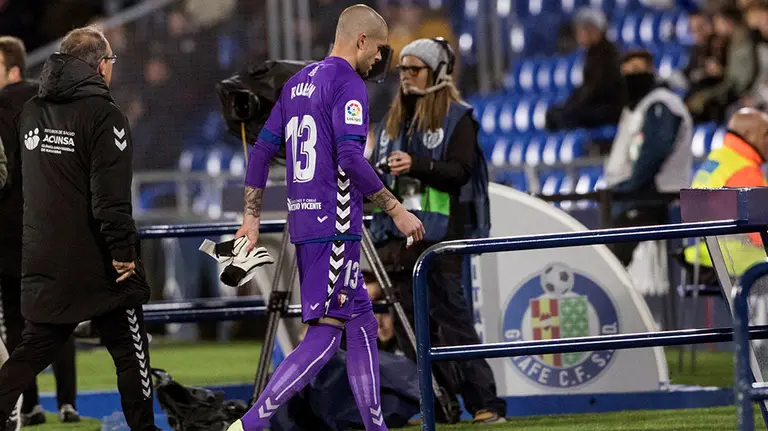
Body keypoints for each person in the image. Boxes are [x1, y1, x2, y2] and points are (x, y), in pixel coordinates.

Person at [227, 5, 424, 431]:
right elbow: (351, 158)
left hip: (306, 223)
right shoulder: (348, 83)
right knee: (326, 333)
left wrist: (251, 217)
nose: (379, 59)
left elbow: (261, 151)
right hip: (335, 226)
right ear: (361, 40)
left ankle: (375, 427)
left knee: (362, 323)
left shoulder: (297, 82)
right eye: (379, 49)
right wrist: (396, 209)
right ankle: (250, 424)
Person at [0, 26, 158, 431]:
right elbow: (110, 198)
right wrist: (124, 253)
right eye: (111, 61)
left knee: (29, 354)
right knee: (131, 354)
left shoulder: (31, 112)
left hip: (43, 259)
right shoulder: (105, 115)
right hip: (100, 267)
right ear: (101, 66)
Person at [368, 38, 506, 425]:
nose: (406, 76)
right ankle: (439, 404)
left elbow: (460, 173)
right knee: (411, 330)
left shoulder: (458, 118)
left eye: (415, 69)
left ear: (438, 73)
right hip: (396, 240)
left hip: (440, 240)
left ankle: (486, 403)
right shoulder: (391, 121)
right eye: (403, 69)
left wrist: (417, 164)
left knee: (454, 324)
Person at [0, 35, 80, 427]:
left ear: (12, 67)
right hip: (52, 228)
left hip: (8, 230)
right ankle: (68, 403)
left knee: (17, 321)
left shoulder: (1, 106)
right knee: (58, 317)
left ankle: (28, 405)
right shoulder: (52, 103)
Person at [603, 50, 693, 267]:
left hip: (655, 197)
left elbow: (654, 152)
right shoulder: (636, 106)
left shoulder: (662, 103)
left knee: (622, 262)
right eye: (626, 72)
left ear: (651, 71)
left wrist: (630, 189)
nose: (630, 77)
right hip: (637, 195)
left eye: (636, 70)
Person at [680, 108, 768, 278]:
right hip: (736, 263)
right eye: (766, 134)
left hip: (701, 254)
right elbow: (760, 233)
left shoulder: (718, 158)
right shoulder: (744, 170)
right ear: (748, 135)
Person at [545, 7, 627, 132]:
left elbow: (597, 88)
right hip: (596, 105)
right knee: (554, 113)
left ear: (594, 31)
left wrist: (576, 104)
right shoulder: (592, 54)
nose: (579, 35)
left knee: (568, 115)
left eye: (582, 30)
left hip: (608, 108)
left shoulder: (608, 54)